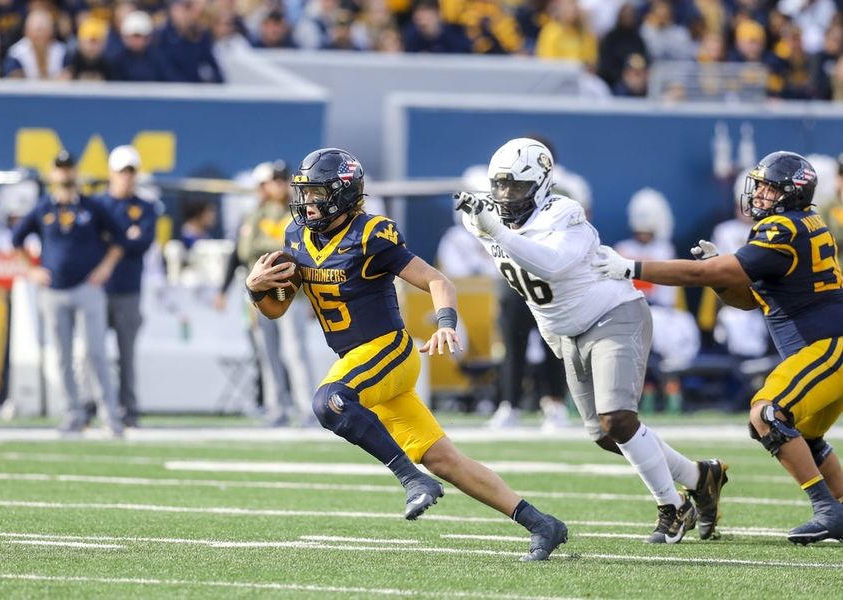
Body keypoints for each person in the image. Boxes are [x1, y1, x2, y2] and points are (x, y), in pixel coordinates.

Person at [245, 147, 567, 561]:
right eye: (304, 193)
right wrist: (255, 290)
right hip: (361, 365)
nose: (307, 203)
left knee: (329, 403)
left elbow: (436, 280)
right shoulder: (296, 236)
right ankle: (541, 523)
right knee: (446, 459)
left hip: (388, 351)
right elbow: (277, 308)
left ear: (343, 194)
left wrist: (446, 323)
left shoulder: (371, 233)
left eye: (317, 194)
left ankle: (411, 480)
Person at [456, 138, 727, 544]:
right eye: (500, 186)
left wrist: (494, 231)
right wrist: (552, 334)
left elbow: (551, 264)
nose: (505, 196)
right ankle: (700, 476)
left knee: (617, 418)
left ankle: (673, 508)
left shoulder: (565, 213)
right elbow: (528, 288)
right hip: (566, 330)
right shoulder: (484, 217)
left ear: (543, 184)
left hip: (613, 313)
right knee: (604, 435)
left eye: (516, 186)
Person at [593, 150, 843, 545]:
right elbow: (747, 299)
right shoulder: (797, 224)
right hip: (822, 347)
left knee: (768, 415)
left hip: (828, 344)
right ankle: (839, 507)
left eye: (768, 187)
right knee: (802, 435)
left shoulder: (784, 228)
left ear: (791, 192)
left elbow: (696, 273)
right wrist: (719, 275)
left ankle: (828, 510)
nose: (758, 194)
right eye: (758, 186)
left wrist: (633, 267)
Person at [12, 151, 126, 436]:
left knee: (96, 352)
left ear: (75, 171)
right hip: (54, 290)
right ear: (52, 173)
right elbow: (16, 240)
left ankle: (109, 415)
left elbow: (119, 238)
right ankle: (72, 414)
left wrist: (106, 267)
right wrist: (32, 271)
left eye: (68, 168)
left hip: (87, 287)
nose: (64, 174)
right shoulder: (42, 208)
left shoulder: (91, 206)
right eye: (59, 169)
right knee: (62, 355)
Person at [216, 160, 317, 426]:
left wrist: (270, 247)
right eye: (275, 180)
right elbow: (243, 250)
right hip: (261, 293)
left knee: (296, 352)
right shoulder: (256, 214)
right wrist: (278, 247)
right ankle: (277, 408)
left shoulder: (299, 214)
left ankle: (307, 408)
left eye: (283, 180)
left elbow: (304, 251)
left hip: (292, 292)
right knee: (267, 352)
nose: (280, 185)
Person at [98, 145, 157, 428]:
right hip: (98, 289)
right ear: (111, 173)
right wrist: (125, 236)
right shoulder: (98, 205)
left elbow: (143, 242)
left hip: (128, 288)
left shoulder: (144, 206)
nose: (127, 177)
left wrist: (113, 238)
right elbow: (93, 243)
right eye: (122, 172)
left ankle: (128, 410)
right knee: (92, 354)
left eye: (131, 171)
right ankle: (93, 406)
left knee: (126, 355)